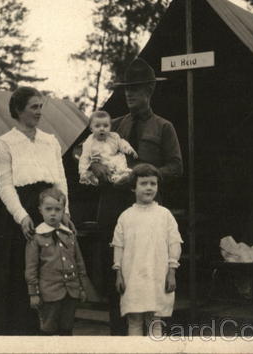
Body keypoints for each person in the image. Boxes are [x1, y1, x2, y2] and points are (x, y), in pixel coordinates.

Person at [92, 57, 183, 335]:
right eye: (127, 89)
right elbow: (88, 157)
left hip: (147, 217)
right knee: (116, 278)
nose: (130, 94)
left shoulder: (163, 127)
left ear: (149, 91)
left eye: (137, 88)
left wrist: (145, 174)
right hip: (114, 212)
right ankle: (119, 340)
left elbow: (177, 167)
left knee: (149, 276)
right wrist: (102, 169)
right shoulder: (113, 126)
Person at [0, 86, 75, 335]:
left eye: (40, 107)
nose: (39, 112)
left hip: (51, 207)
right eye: (33, 107)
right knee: (24, 273)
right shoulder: (5, 142)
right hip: (23, 210)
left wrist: (65, 211)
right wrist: (21, 216)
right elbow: (3, 183)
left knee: (54, 272)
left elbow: (61, 180)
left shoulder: (51, 141)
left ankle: (53, 332)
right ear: (18, 110)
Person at [111, 164, 183, 336]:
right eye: (144, 183)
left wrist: (171, 272)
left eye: (153, 183)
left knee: (155, 321)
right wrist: (118, 273)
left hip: (157, 275)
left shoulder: (165, 215)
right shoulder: (126, 216)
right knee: (134, 320)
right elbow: (118, 246)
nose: (149, 187)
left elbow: (174, 244)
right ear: (133, 187)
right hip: (133, 276)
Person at [25, 187, 88, 335]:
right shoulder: (36, 237)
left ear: (63, 211)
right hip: (49, 293)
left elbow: (79, 263)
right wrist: (33, 293)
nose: (53, 213)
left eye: (57, 209)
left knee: (67, 328)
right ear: (40, 210)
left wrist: (82, 288)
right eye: (48, 209)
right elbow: (31, 268)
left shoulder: (70, 235)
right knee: (48, 328)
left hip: (71, 292)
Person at [78, 110, 138, 186]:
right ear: (91, 129)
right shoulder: (89, 142)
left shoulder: (113, 136)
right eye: (97, 126)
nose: (102, 129)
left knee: (120, 157)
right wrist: (83, 172)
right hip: (100, 163)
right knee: (95, 169)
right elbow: (84, 157)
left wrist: (128, 149)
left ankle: (122, 175)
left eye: (105, 126)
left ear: (110, 127)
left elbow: (121, 143)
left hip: (113, 159)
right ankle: (113, 178)